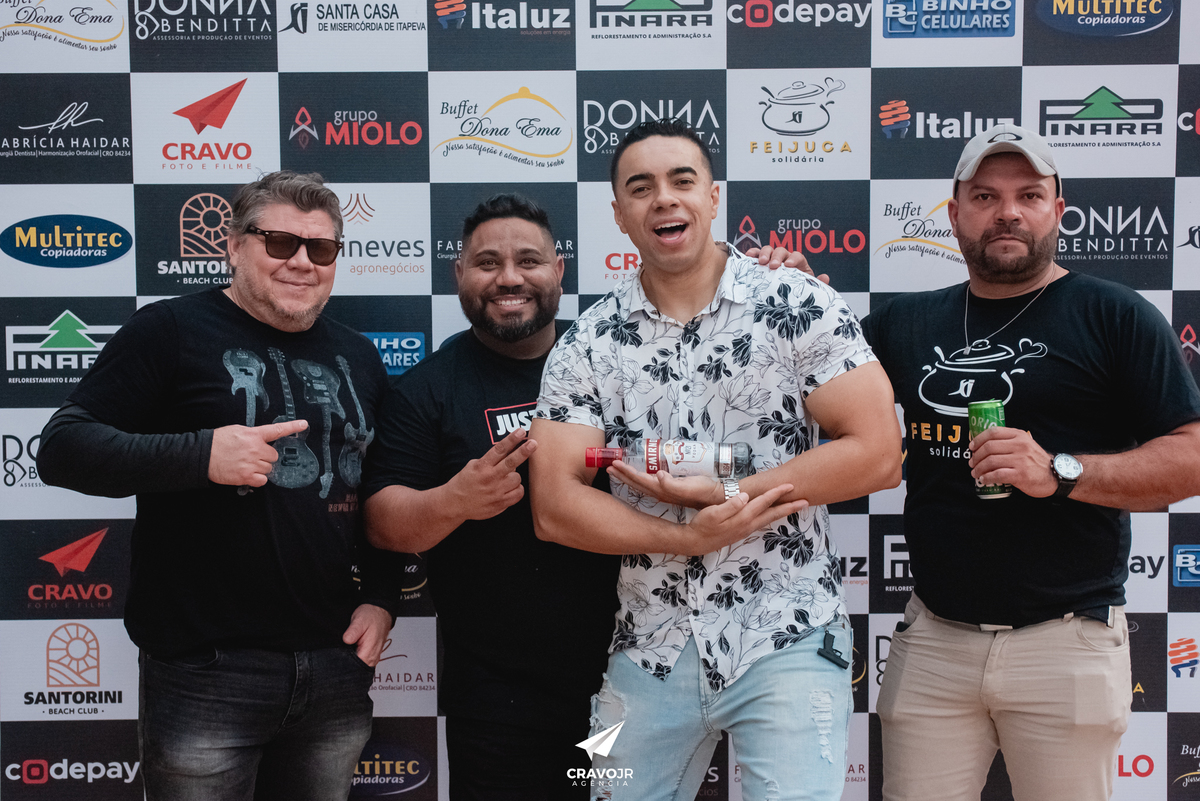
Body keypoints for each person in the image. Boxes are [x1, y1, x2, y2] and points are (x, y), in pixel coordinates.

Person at [359, 192, 811, 800]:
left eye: (528, 260)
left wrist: (779, 291)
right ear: (459, 273)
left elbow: (751, 388)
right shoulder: (426, 390)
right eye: (487, 263)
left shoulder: (616, 356)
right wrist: (455, 500)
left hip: (646, 676)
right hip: (502, 700)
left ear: (559, 269)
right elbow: (384, 526)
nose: (509, 278)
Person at [527, 119, 903, 801]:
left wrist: (731, 494)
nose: (664, 198)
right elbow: (554, 505)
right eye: (641, 187)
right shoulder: (588, 343)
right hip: (648, 646)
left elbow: (878, 454)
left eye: (682, 180)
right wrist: (686, 536)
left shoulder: (797, 302)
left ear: (713, 196)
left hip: (786, 634)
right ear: (619, 214)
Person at [36, 171, 401, 801]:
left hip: (334, 664)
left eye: (320, 248)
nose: (302, 262)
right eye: (280, 243)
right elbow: (62, 449)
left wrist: (385, 596)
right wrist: (200, 454)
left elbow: (378, 488)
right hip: (205, 672)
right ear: (233, 245)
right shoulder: (170, 329)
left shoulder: (359, 356)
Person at [861, 124, 1200, 800]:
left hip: (1065, 642)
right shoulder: (904, 323)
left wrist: (1062, 472)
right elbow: (814, 396)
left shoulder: (1115, 315)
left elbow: (1190, 456)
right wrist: (792, 296)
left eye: (1029, 195)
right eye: (985, 196)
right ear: (954, 214)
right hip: (935, 641)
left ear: (1058, 211)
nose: (1008, 212)